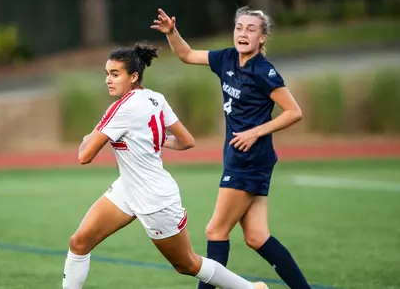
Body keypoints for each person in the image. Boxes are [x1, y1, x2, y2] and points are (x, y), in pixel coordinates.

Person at [61, 41, 268, 289]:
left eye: (115, 74)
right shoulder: (154, 97)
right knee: (79, 242)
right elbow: (186, 141)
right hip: (128, 187)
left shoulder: (121, 109)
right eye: (107, 74)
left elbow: (84, 156)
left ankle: (249, 288)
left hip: (154, 197)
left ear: (133, 76)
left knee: (188, 264)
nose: (108, 79)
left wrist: (89, 136)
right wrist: (154, 141)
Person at [151, 6, 310, 289]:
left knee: (215, 231)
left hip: (250, 159)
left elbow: (293, 111)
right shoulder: (226, 58)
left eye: (251, 29)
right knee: (257, 237)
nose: (243, 33)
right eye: (239, 28)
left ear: (262, 38)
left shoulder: (264, 71)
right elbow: (187, 55)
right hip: (242, 158)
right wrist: (172, 33)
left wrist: (255, 132)